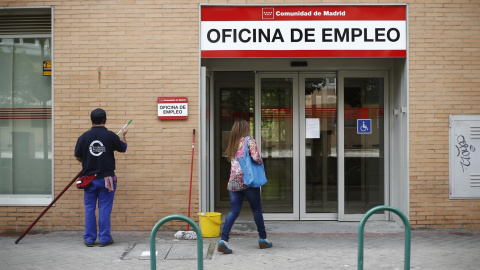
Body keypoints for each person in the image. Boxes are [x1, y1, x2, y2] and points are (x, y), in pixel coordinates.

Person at [74, 108, 128, 247]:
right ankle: (104, 239)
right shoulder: (111, 136)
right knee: (104, 208)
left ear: (91, 120)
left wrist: (87, 162)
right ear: (105, 120)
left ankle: (89, 239)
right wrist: (122, 136)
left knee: (89, 208)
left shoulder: (84, 137)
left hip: (89, 180)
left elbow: (78, 156)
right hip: (107, 179)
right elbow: (123, 148)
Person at [218, 119, 272, 254]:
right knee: (256, 209)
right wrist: (260, 162)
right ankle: (263, 239)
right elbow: (256, 157)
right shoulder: (249, 140)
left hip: (234, 182)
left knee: (234, 211)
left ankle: (223, 240)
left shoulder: (232, 142)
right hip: (248, 180)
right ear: (246, 129)